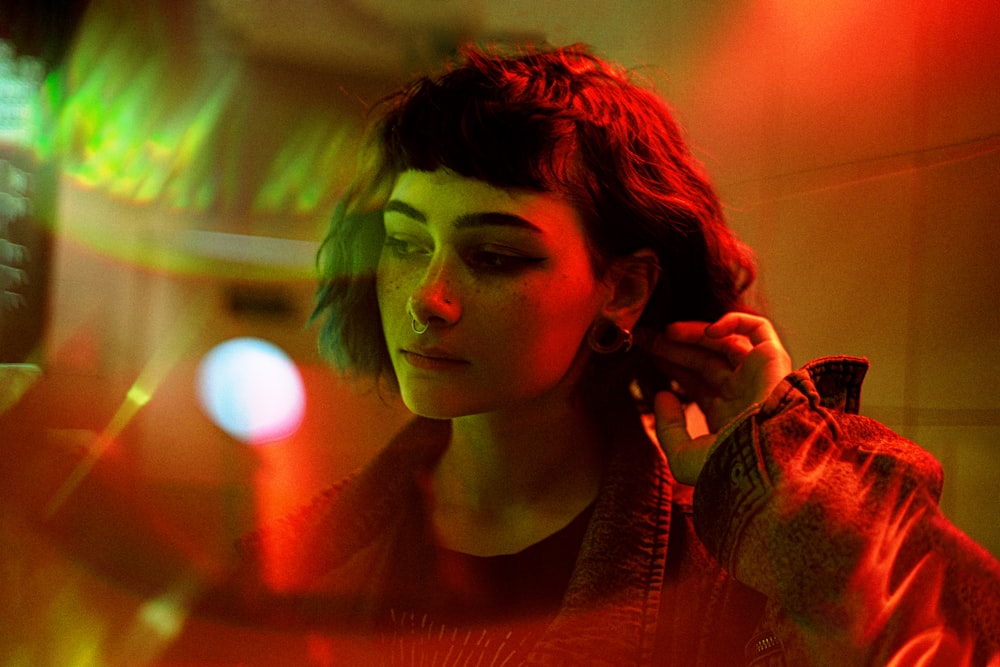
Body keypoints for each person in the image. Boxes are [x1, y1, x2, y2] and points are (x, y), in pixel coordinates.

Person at [223, 44, 1000, 666]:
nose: (429, 296)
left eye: (493, 255)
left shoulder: (725, 569)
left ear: (623, 290)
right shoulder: (309, 556)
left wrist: (785, 467)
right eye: (403, 242)